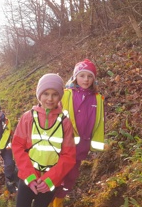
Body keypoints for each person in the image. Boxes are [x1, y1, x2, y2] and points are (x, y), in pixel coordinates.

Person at [12, 73, 76, 207]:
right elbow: (18, 147)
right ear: (39, 94)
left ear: (60, 96)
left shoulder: (65, 123)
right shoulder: (27, 118)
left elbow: (68, 156)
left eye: (55, 94)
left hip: (51, 181)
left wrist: (50, 180)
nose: (50, 99)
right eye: (46, 93)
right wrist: (30, 177)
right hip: (28, 178)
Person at [49, 59, 105, 207]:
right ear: (75, 77)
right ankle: (49, 201)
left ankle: (58, 201)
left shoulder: (97, 98)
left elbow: (99, 122)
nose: (86, 79)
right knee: (56, 176)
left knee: (71, 177)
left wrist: (96, 145)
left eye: (89, 76)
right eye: (82, 75)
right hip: (62, 147)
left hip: (81, 148)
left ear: (94, 79)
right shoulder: (66, 95)